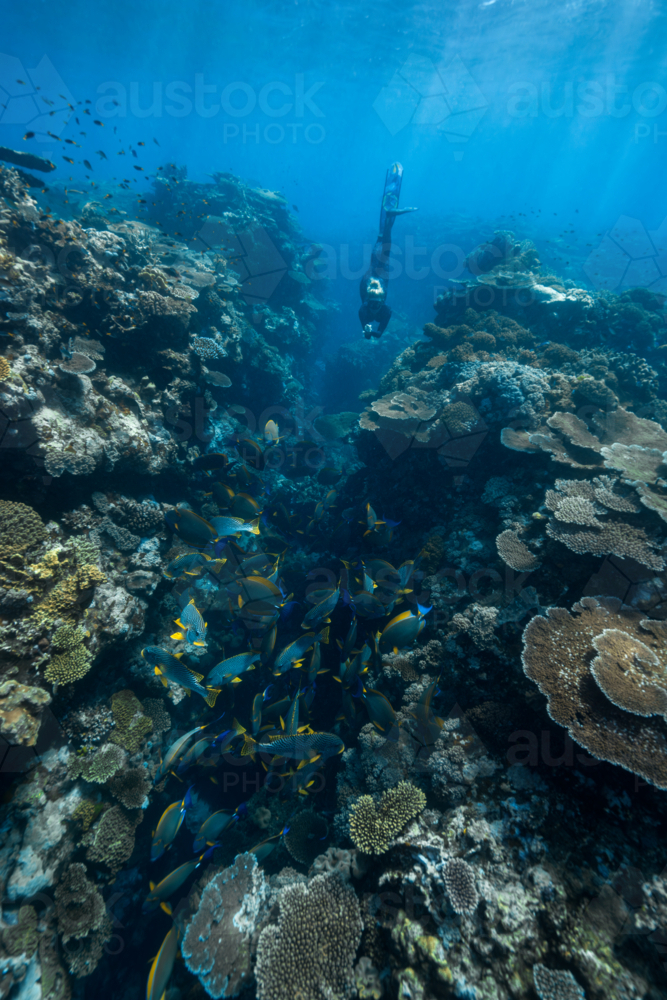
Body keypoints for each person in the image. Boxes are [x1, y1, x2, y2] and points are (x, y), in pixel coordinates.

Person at [359, 162, 417, 339]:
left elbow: (368, 327)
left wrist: (368, 331)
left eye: (374, 305)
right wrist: (371, 332)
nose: (375, 307)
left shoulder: (364, 310)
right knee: (384, 241)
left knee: (384, 244)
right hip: (379, 268)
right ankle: (388, 222)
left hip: (377, 264)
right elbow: (378, 330)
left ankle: (389, 217)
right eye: (375, 305)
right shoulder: (384, 309)